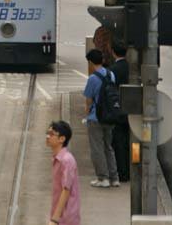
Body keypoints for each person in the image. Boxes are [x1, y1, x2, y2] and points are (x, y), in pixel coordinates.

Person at [83, 48, 119, 188]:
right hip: (110, 116)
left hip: (96, 118)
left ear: (91, 62)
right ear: (103, 60)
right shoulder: (111, 75)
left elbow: (89, 100)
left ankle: (102, 178)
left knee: (97, 148)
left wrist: (87, 114)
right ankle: (114, 177)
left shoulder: (93, 78)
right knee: (108, 147)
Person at [46, 120, 81, 225]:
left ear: (62, 139)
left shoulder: (66, 160)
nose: (48, 137)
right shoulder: (58, 159)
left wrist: (55, 219)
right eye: (47, 133)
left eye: (51, 134)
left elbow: (66, 190)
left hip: (66, 218)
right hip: (61, 216)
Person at [110, 41, 130, 182]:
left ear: (113, 52)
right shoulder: (132, 68)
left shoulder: (113, 70)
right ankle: (129, 170)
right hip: (132, 108)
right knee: (129, 141)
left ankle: (122, 172)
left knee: (118, 142)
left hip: (118, 109)